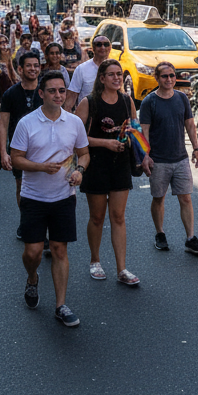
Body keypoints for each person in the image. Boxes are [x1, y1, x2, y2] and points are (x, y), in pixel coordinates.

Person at [11, 70, 89, 327]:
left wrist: (79, 171)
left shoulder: (74, 122)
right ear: (41, 93)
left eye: (62, 90)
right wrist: (41, 167)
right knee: (32, 252)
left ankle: (61, 305)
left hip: (64, 196)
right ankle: (32, 278)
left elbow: (84, 153)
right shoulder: (27, 123)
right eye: (52, 91)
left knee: (59, 249)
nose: (58, 95)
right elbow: (16, 159)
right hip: (33, 197)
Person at [77, 59, 140, 285]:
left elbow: (136, 130)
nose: (117, 78)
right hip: (96, 164)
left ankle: (122, 269)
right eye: (111, 74)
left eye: (119, 74)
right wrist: (105, 143)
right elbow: (76, 137)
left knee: (118, 217)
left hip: (120, 163)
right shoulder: (89, 102)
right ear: (102, 78)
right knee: (97, 217)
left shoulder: (126, 100)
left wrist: (137, 145)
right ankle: (95, 261)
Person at [140, 61, 198, 256]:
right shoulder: (149, 102)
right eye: (164, 76)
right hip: (158, 160)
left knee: (185, 198)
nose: (169, 79)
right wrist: (145, 156)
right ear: (157, 78)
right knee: (158, 198)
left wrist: (196, 149)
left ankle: (190, 238)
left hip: (180, 158)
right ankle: (160, 233)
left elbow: (190, 125)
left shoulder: (182, 98)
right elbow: (144, 132)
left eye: (172, 75)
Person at [0, 51, 43, 223]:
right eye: (29, 65)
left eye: (36, 65)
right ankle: (26, 222)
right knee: (22, 186)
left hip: (45, 147)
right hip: (19, 150)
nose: (33, 69)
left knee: (45, 186)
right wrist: (4, 153)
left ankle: (41, 224)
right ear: (20, 69)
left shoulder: (46, 92)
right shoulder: (10, 94)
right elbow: (3, 124)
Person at [65, 33, 112, 112]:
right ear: (93, 48)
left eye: (106, 44)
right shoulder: (81, 69)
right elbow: (71, 98)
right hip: (86, 115)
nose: (103, 47)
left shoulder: (115, 69)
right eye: (99, 44)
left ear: (110, 48)